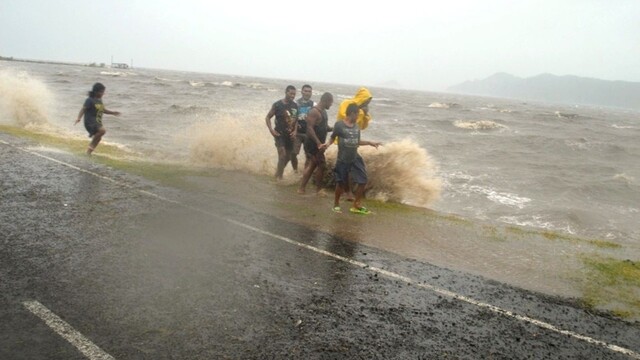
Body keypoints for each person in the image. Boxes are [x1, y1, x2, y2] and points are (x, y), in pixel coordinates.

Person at [328, 103, 381, 214]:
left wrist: (369, 143)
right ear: (352, 113)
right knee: (341, 182)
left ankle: (356, 205)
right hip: (343, 158)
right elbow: (332, 138)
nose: (358, 117)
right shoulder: (339, 125)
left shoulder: (356, 126)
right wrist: (327, 145)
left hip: (355, 156)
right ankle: (336, 204)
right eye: (357, 114)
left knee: (363, 179)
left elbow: (357, 141)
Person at [335, 87, 373, 200]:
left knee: (352, 169)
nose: (367, 103)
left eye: (368, 102)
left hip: (353, 143)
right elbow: (344, 116)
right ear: (361, 98)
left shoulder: (361, 112)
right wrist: (361, 112)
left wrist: (365, 115)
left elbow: (363, 127)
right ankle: (347, 192)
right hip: (342, 143)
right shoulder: (348, 103)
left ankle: (351, 190)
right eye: (366, 101)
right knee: (345, 170)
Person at [298, 92, 333, 196]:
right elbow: (309, 129)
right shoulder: (314, 111)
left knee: (313, 165)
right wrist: (318, 143)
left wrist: (335, 129)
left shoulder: (323, 112)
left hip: (319, 144)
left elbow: (324, 127)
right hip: (312, 144)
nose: (331, 105)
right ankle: (318, 190)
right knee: (321, 165)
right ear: (325, 101)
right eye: (330, 103)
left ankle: (302, 188)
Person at [74, 82, 120, 155]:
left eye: (103, 92)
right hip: (90, 122)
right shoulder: (89, 100)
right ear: (96, 92)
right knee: (102, 131)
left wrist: (113, 113)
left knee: (99, 137)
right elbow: (83, 109)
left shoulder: (99, 101)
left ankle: (88, 153)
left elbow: (103, 110)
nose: (103, 94)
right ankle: (90, 146)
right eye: (101, 92)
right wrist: (79, 118)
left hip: (97, 122)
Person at [265, 85, 299, 180]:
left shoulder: (295, 105)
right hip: (279, 134)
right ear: (286, 92)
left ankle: (277, 173)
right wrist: (271, 130)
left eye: (294, 94)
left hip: (290, 135)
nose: (293, 96)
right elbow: (267, 117)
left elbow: (296, 120)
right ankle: (279, 178)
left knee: (288, 157)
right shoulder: (277, 105)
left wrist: (295, 131)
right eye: (291, 93)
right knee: (282, 155)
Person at [293, 84, 314, 172]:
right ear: (301, 91)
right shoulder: (296, 103)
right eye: (305, 91)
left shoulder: (313, 104)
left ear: (311, 93)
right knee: (293, 154)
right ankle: (295, 170)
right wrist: (294, 130)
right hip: (297, 133)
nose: (307, 93)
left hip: (308, 134)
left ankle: (305, 173)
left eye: (309, 91)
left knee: (308, 155)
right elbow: (294, 118)